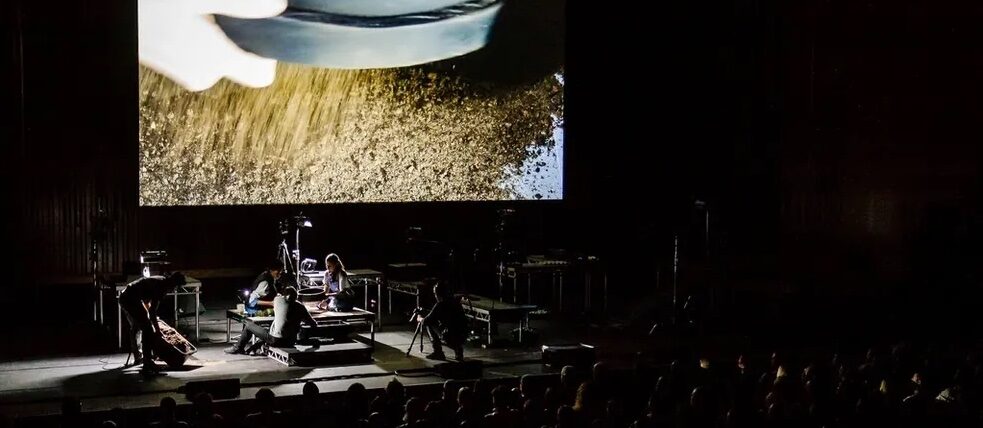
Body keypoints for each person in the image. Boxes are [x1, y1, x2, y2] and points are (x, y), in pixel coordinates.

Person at [118, 272, 187, 374]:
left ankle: (144, 358)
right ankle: (147, 362)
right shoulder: (162, 286)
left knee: (142, 326)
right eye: (176, 287)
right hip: (129, 299)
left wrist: (150, 318)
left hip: (129, 297)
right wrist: (157, 330)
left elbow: (147, 301)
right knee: (147, 329)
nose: (175, 289)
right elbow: (152, 310)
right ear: (173, 283)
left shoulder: (161, 281)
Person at [225, 286, 317, 354]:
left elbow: (277, 303)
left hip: (276, 340)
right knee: (272, 329)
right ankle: (255, 347)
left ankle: (238, 347)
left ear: (283, 296)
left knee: (248, 324)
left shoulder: (278, 300)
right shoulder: (301, 307)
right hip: (290, 341)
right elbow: (313, 324)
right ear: (296, 297)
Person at [415, 279, 467, 361]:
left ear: (438, 294)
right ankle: (458, 350)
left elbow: (427, 321)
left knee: (429, 324)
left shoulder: (440, 304)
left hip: (449, 337)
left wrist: (420, 318)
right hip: (463, 336)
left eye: (435, 294)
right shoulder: (455, 302)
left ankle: (438, 352)